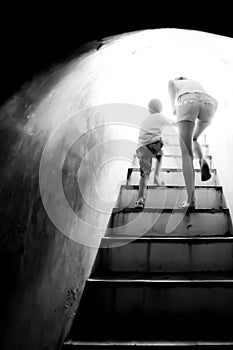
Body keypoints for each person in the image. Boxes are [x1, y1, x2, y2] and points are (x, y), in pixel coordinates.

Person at [168, 77, 218, 209]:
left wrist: (173, 106)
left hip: (187, 101)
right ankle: (202, 160)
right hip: (209, 103)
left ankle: (191, 200)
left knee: (186, 153)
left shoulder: (178, 81)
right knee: (194, 138)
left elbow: (170, 83)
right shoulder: (197, 83)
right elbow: (216, 101)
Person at [134, 98, 176, 209]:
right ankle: (157, 176)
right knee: (160, 150)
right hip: (153, 145)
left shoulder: (145, 120)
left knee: (144, 175)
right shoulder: (160, 116)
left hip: (141, 148)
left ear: (149, 109)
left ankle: (140, 199)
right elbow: (174, 123)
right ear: (160, 109)